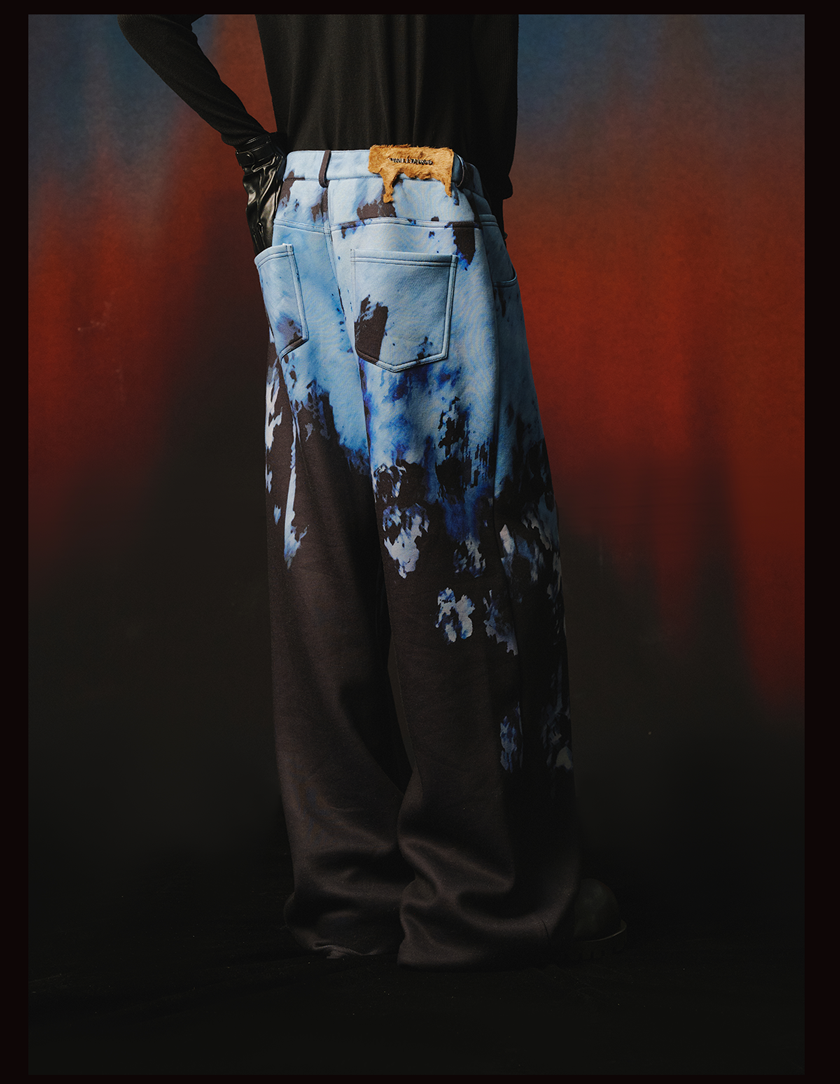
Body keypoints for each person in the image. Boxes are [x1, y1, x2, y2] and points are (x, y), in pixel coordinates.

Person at [118, 14, 626, 970]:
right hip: (424, 197)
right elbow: (484, 60)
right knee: (464, 565)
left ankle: (349, 899)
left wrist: (258, 155)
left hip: (301, 209)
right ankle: (476, 901)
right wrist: (486, 202)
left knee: (324, 564)